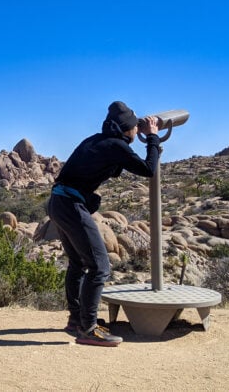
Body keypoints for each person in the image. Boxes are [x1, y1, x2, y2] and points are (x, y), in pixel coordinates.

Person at [48, 101, 159, 347]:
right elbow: (148, 169)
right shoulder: (115, 145)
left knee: (78, 263)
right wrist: (152, 137)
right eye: (134, 126)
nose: (136, 129)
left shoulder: (98, 140)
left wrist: (133, 135)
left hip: (58, 201)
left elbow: (115, 168)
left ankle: (77, 320)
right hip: (71, 205)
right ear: (126, 128)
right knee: (99, 266)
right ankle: (88, 329)